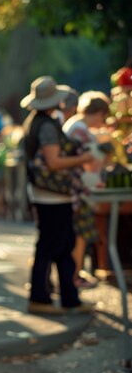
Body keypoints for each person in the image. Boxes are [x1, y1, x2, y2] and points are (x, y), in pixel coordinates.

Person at [21, 76, 95, 315]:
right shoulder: (46, 126)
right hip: (52, 197)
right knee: (51, 246)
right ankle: (41, 298)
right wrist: (83, 159)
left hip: (48, 196)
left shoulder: (37, 123)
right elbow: (54, 162)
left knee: (61, 246)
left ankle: (68, 298)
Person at [63, 91, 111, 288]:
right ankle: (74, 276)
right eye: (103, 115)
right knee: (80, 234)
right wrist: (104, 147)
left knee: (76, 234)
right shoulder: (81, 129)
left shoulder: (74, 124)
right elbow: (92, 162)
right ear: (98, 112)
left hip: (73, 187)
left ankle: (74, 275)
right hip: (77, 188)